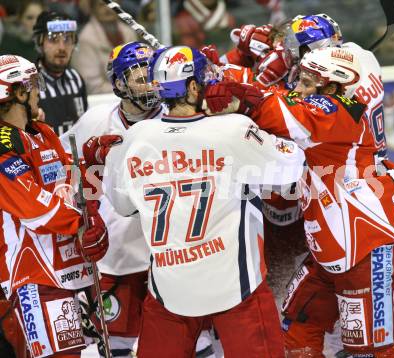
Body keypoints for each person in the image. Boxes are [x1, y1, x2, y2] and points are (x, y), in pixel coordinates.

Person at [92, 45, 305, 357]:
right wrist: (247, 108)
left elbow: (123, 205)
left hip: (170, 293)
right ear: (193, 88)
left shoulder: (136, 139)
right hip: (235, 290)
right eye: (206, 79)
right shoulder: (233, 129)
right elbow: (293, 164)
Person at [210, 46, 394, 358]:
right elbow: (281, 101)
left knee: (372, 352)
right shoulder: (327, 101)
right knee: (298, 326)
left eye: (306, 82)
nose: (296, 88)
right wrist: (230, 79)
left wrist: (240, 96)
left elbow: (282, 114)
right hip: (331, 252)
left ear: (332, 87)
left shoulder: (340, 110)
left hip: (367, 251)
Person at [0, 54, 109, 358]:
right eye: (33, 85)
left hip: (74, 269)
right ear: (18, 93)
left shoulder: (44, 133)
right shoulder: (2, 149)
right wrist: (84, 222)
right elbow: (35, 208)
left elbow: (71, 184)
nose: (39, 91)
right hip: (35, 278)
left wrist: (92, 166)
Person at [60, 41, 163, 358]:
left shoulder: (175, 118)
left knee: (181, 342)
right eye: (139, 75)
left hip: (166, 255)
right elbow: (64, 169)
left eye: (153, 73)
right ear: (119, 83)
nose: (150, 82)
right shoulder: (96, 121)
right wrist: (83, 221)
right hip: (115, 255)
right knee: (116, 344)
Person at [33, 10, 89, 136]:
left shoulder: (76, 78)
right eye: (53, 39)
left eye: (67, 39)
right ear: (40, 43)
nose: (62, 47)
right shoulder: (30, 81)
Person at [71, 0, 137, 94]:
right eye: (102, 5)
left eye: (112, 4)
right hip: (100, 101)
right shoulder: (85, 39)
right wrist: (129, 89)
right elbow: (92, 86)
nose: (108, 8)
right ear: (93, 9)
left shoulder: (129, 33)